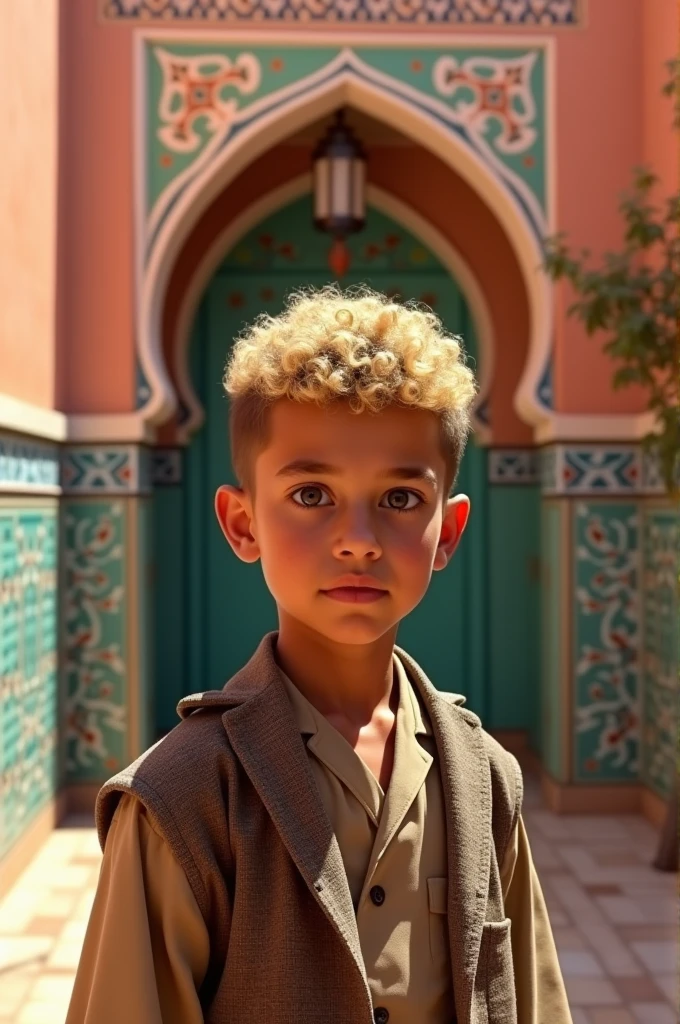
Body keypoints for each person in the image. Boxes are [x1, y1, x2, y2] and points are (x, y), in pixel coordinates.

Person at [66, 284, 572, 1024]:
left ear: (449, 532)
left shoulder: (485, 780)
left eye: (400, 499)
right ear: (243, 524)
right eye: (311, 494)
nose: (359, 538)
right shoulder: (184, 801)